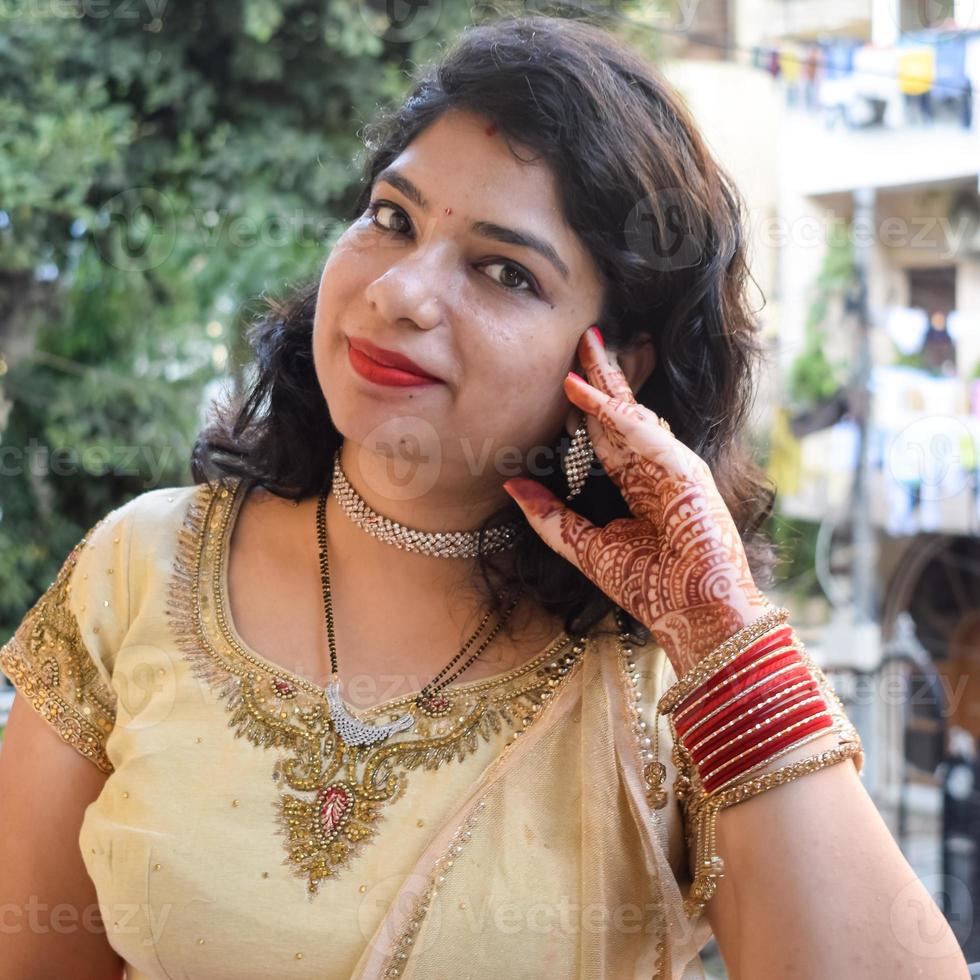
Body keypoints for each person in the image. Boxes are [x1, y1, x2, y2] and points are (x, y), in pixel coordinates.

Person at [0, 14, 969, 980]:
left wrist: (718, 629)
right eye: (392, 217)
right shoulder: (142, 571)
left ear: (613, 364)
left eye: (504, 271)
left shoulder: (673, 668)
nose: (404, 291)